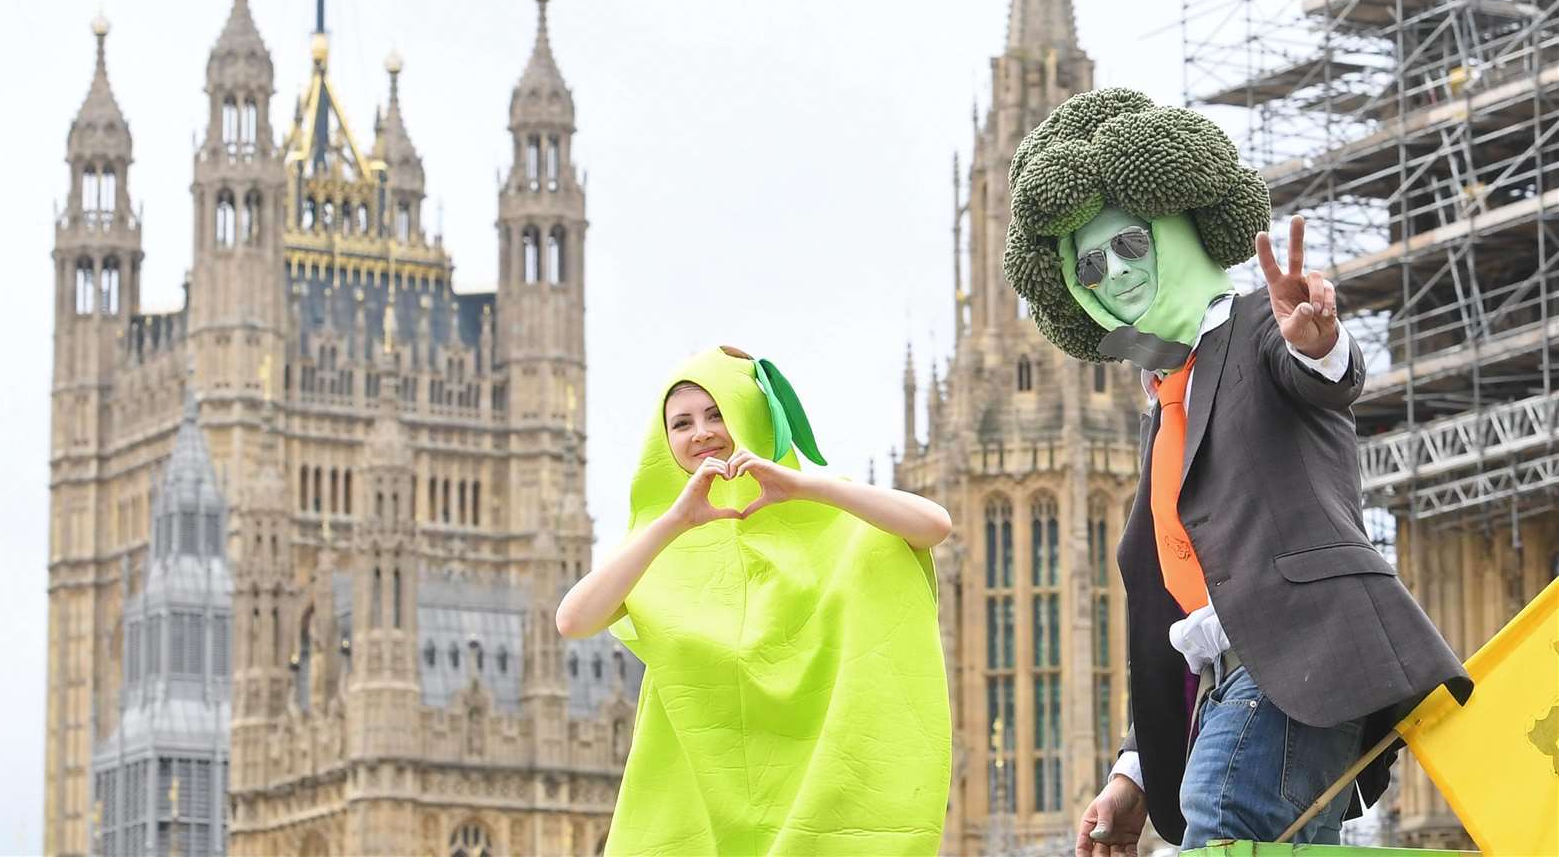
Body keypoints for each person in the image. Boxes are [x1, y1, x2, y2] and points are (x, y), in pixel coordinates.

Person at [1001, 88, 1472, 854]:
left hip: (1304, 660)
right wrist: (1133, 774)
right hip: (1233, 683)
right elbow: (1185, 611)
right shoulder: (1164, 406)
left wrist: (1315, 340)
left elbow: (1321, 378)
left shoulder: (1256, 325)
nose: (1112, 273)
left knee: (1222, 823)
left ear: (1174, 232)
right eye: (1089, 263)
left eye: (1128, 246)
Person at [555, 346, 953, 856]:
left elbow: (934, 524)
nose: (701, 432)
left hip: (818, 796)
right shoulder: (659, 546)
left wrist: (808, 487)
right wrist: (674, 521)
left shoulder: (828, 515)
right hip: (698, 807)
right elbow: (574, 618)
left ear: (751, 412)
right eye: (681, 423)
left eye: (717, 413)